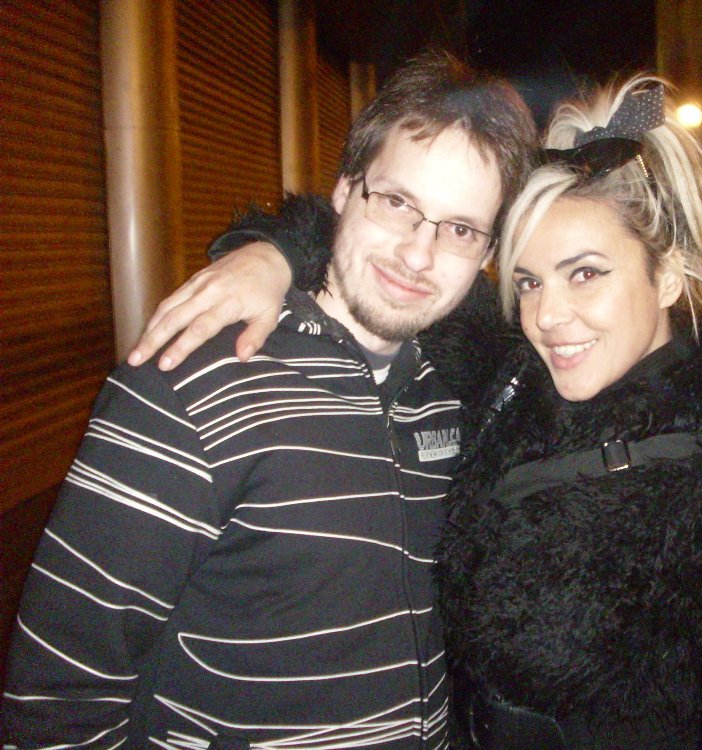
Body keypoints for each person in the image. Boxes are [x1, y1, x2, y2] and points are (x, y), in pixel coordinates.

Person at [116, 75, 702, 749]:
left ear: (668, 276)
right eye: (529, 281)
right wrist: (267, 255)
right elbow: (379, 246)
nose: (548, 316)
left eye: (586, 273)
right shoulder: (511, 380)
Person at [1, 52, 536, 748]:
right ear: (343, 190)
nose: (418, 253)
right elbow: (58, 696)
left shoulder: (451, 400)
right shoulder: (191, 382)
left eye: (459, 229)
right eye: (397, 202)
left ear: (487, 252)